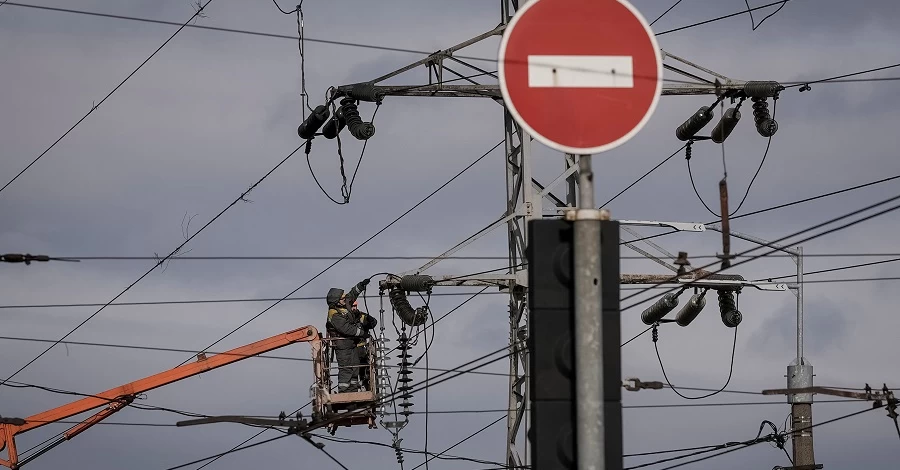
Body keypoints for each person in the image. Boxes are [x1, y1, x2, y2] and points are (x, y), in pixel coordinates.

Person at [325, 278, 370, 393]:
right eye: (342, 298)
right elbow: (346, 328)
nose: (345, 299)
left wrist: (361, 285)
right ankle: (344, 392)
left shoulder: (344, 304)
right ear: (337, 301)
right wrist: (362, 333)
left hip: (351, 344)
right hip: (342, 346)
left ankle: (353, 391)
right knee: (346, 370)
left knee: (355, 368)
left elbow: (352, 294)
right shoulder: (334, 314)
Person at [351, 300, 378, 391]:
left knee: (364, 369)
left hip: (361, 348)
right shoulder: (345, 317)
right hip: (350, 349)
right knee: (352, 371)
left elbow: (373, 323)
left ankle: (365, 385)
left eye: (355, 306)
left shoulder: (361, 316)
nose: (353, 308)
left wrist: (369, 318)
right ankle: (353, 389)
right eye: (352, 306)